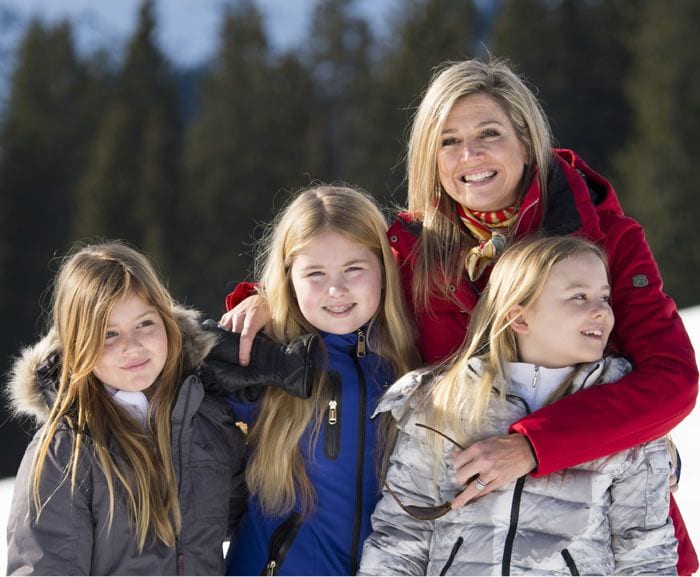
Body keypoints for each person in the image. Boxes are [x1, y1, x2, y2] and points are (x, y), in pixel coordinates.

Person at [223, 58, 698, 573]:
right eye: (448, 140)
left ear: (525, 139)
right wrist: (269, 297)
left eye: (488, 133)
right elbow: (340, 276)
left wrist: (536, 445)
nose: (469, 155)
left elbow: (672, 380)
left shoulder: (605, 240)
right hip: (465, 544)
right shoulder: (412, 251)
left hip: (596, 538)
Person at [359, 235, 678, 575]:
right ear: (520, 319)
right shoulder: (445, 404)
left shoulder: (624, 415)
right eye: (579, 297)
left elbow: (644, 549)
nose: (601, 310)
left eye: (604, 297)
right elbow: (402, 533)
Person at [6, 242, 256, 575]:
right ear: (80, 345)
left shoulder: (206, 419)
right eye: (109, 334)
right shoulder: (65, 451)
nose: (132, 346)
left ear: (167, 321)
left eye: (144, 324)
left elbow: (263, 512)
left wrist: (263, 305)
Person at [223, 185, 420, 576]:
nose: (337, 289)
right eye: (315, 273)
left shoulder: (409, 361)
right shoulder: (265, 361)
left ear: (385, 268)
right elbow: (164, 372)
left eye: (354, 268)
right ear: (288, 279)